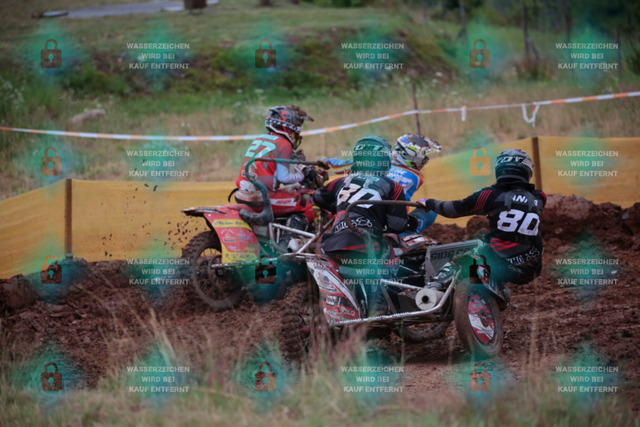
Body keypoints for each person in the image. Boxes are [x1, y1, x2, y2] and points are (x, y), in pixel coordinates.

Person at [313, 136, 418, 314]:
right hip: (365, 244)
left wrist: (339, 207)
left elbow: (317, 197)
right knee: (391, 247)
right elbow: (397, 225)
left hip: (332, 244)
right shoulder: (393, 186)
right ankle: (377, 300)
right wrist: (410, 222)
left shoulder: (340, 182)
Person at [422, 149, 546, 299]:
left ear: (499, 169)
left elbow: (453, 210)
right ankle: (497, 288)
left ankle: (434, 285)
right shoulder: (539, 197)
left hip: (501, 263)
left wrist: (429, 203)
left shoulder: (489, 194)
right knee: (488, 240)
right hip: (532, 268)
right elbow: (517, 207)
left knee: (463, 257)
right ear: (527, 170)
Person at [324, 134, 442, 234]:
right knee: (431, 210)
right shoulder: (415, 176)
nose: (425, 160)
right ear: (411, 156)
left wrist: (326, 161)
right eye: (424, 156)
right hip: (388, 226)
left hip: (351, 218)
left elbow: (339, 165)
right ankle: (403, 239)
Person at [235, 105, 317, 233]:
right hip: (262, 198)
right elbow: (283, 177)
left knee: (288, 194)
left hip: (242, 193)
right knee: (307, 206)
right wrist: (301, 174)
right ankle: (290, 240)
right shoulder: (284, 144)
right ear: (289, 126)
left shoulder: (261, 138)